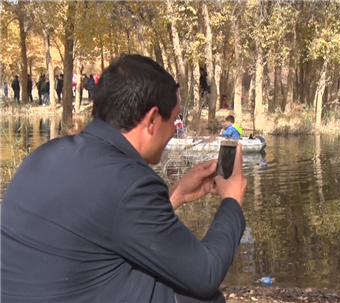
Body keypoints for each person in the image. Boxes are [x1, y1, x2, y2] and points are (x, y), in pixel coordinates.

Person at [1, 54, 248, 303]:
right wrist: (232, 201)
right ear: (152, 120)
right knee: (198, 297)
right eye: (174, 119)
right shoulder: (131, 182)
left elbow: (101, 221)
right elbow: (206, 274)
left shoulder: (44, 155)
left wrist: (177, 194)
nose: (175, 128)